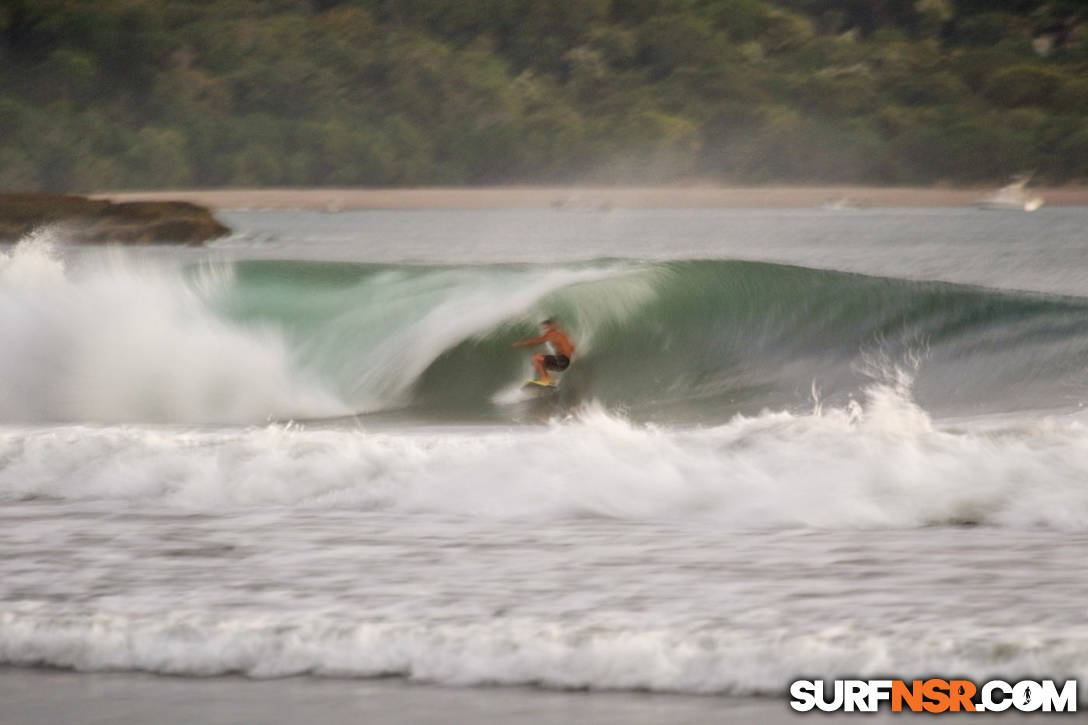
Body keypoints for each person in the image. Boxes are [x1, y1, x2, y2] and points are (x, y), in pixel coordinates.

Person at [513, 318, 575, 385]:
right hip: (565, 363)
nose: (545, 331)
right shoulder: (562, 335)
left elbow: (536, 341)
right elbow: (572, 348)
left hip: (562, 360)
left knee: (535, 358)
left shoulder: (552, 333)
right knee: (541, 363)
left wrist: (520, 344)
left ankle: (546, 379)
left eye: (546, 328)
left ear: (551, 326)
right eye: (544, 329)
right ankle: (550, 381)